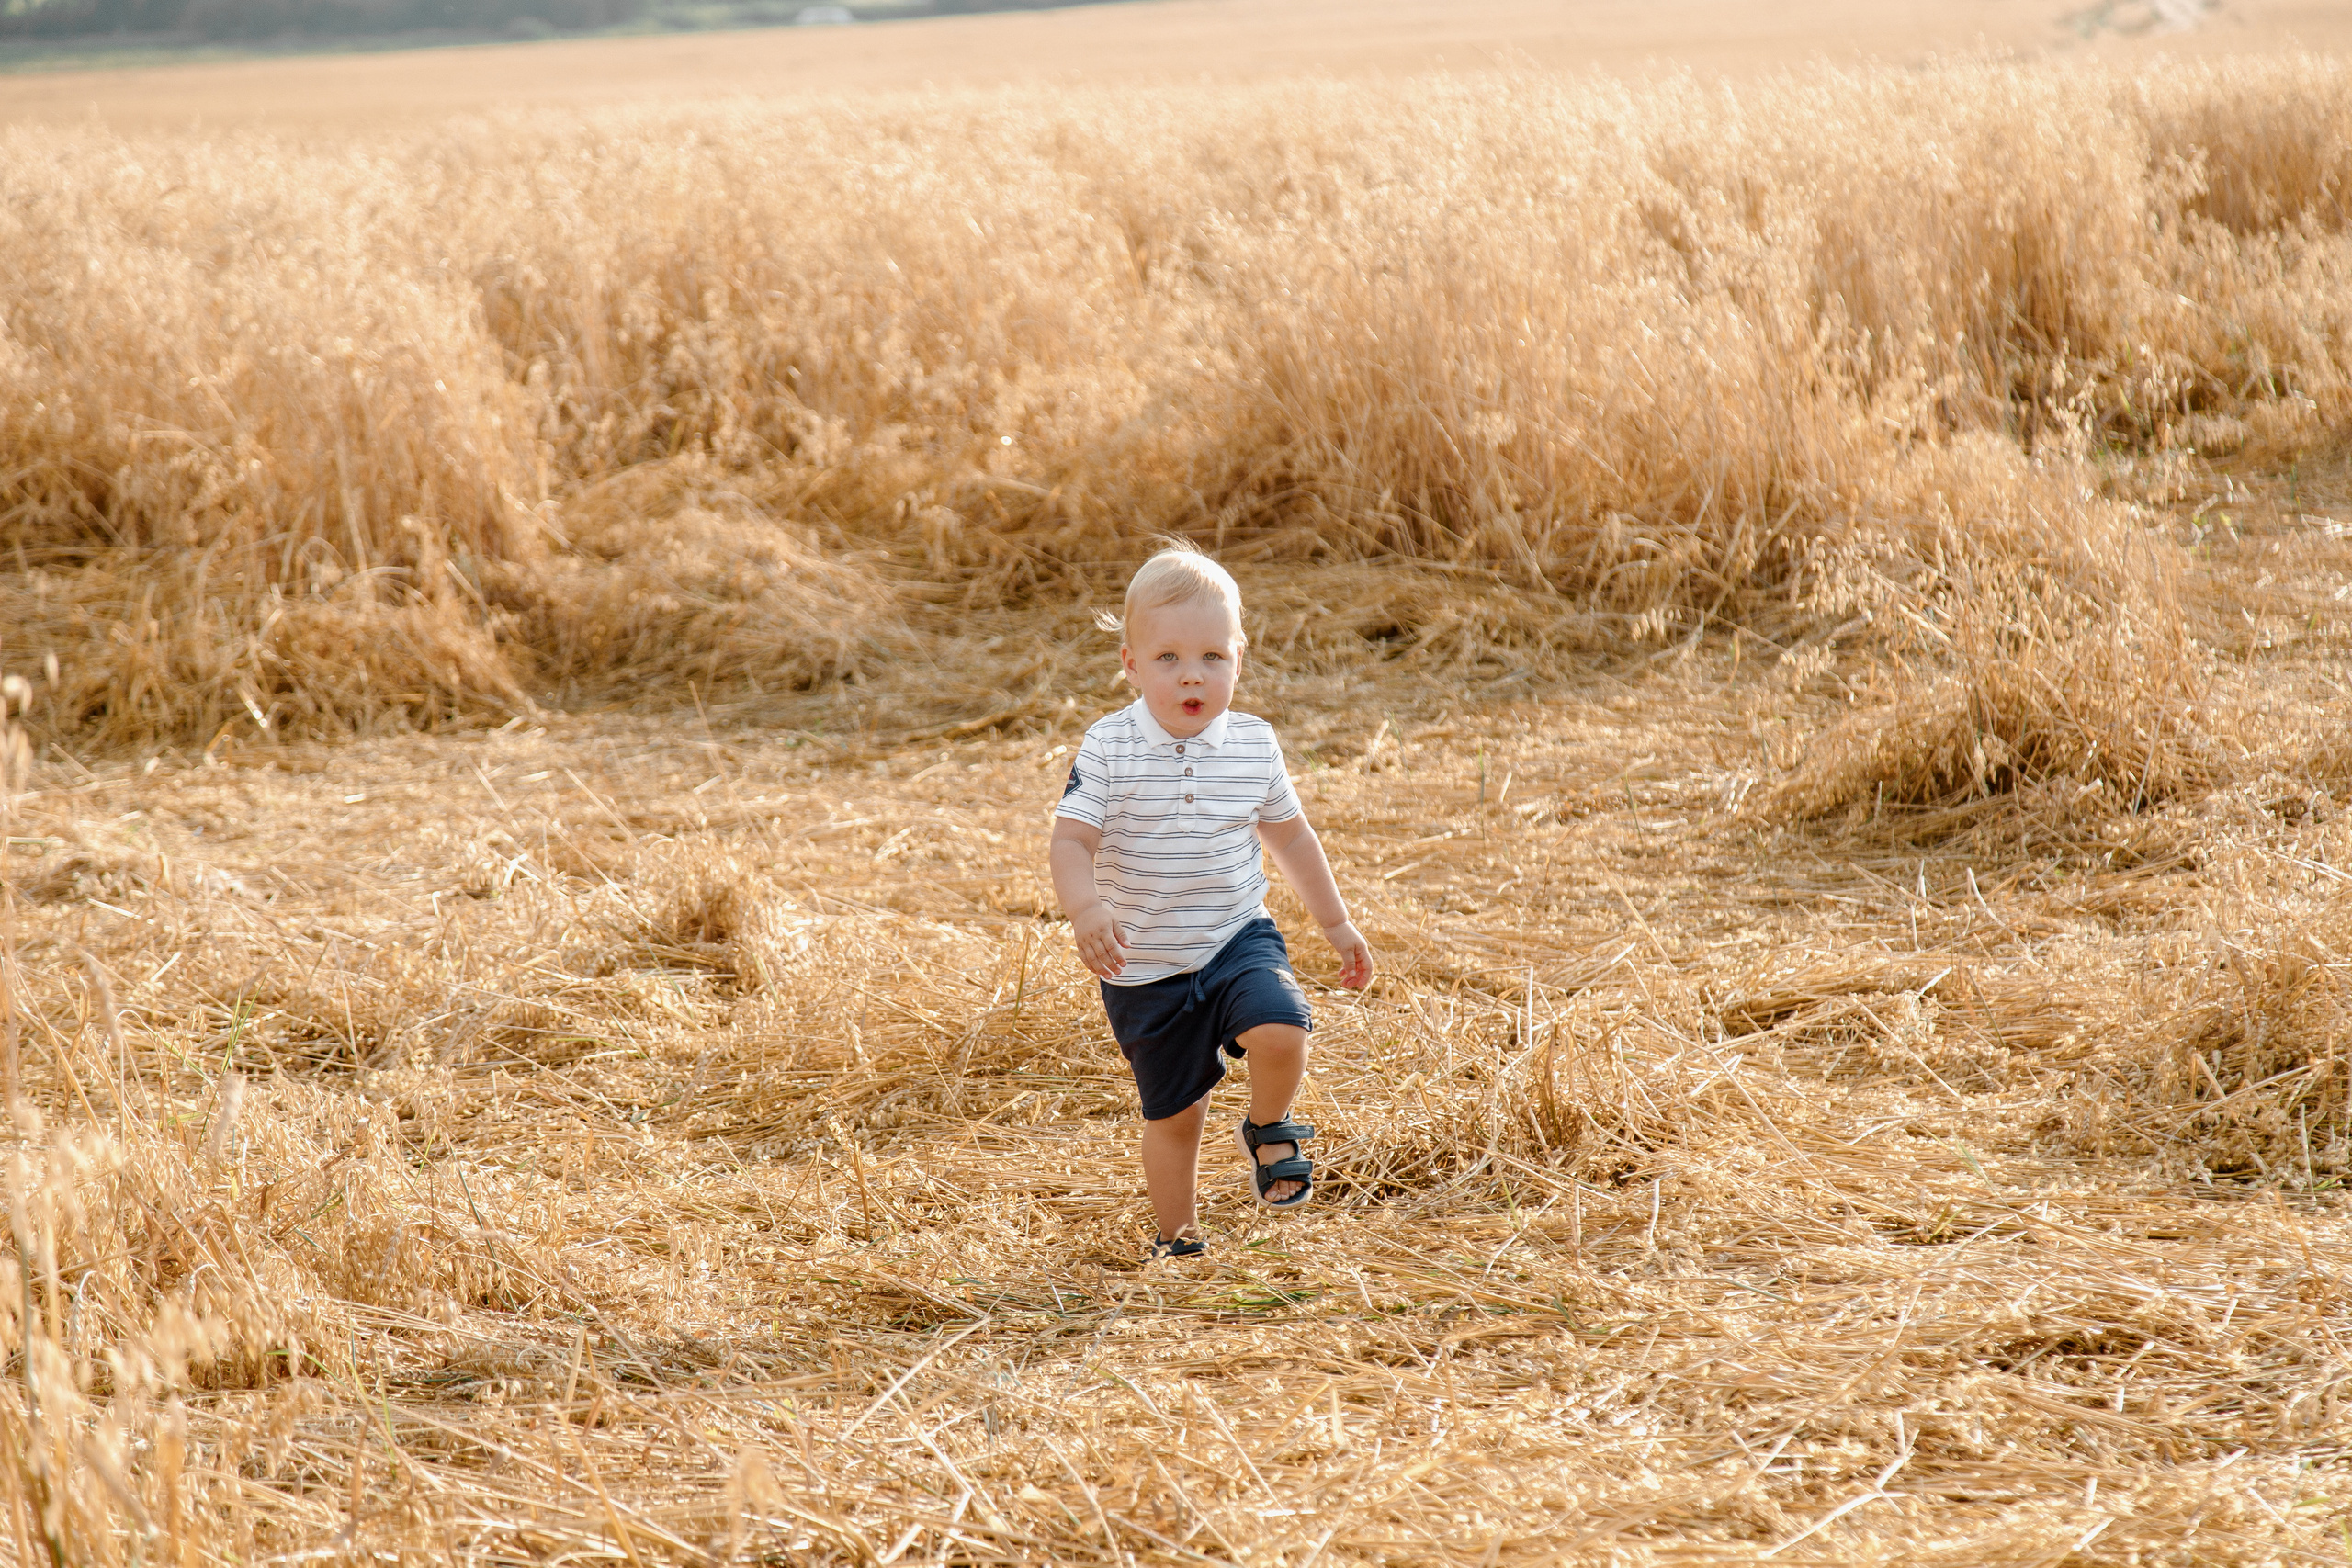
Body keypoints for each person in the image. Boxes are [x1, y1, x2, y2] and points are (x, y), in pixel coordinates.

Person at [1048, 543, 1375, 1261]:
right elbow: (1071, 842)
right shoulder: (1110, 746)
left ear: (1238, 656)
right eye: (1167, 658)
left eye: (1211, 657)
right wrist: (1087, 908)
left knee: (1283, 1025)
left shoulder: (1255, 745)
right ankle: (1179, 1238)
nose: (1191, 673)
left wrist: (1336, 921)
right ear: (1131, 664)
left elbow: (1291, 837)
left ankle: (1270, 1125)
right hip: (1143, 967)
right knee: (1177, 1114)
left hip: (1235, 936)